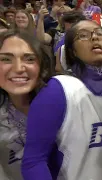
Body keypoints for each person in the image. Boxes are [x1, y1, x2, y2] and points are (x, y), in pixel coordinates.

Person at [21, 20, 102, 180]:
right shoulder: (58, 89)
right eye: (83, 36)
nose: (95, 38)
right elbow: (34, 162)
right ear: (72, 51)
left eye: (99, 33)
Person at [0, 29, 55, 180]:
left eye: (29, 59)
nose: (18, 68)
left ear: (42, 67)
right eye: (5, 59)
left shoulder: (65, 104)